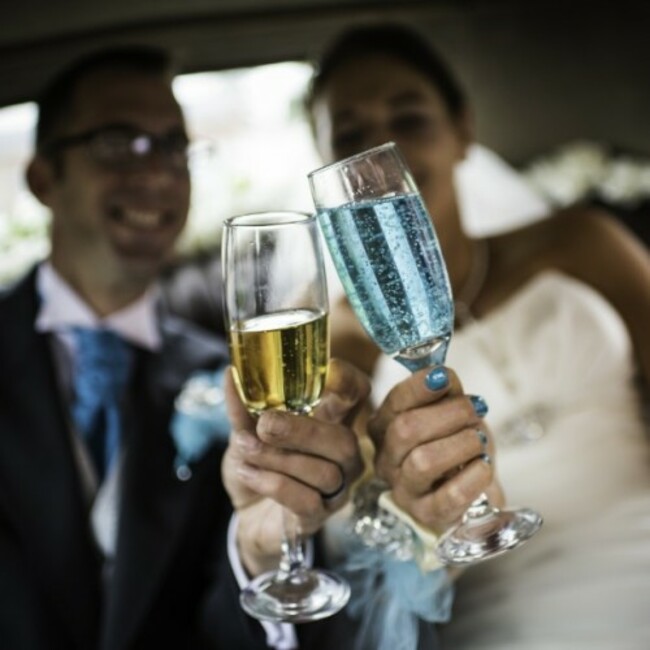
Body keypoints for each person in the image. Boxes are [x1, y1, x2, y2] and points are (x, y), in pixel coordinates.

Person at [0, 43, 498, 650]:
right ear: (42, 175)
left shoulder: (229, 378)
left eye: (174, 147)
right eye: (120, 142)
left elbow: (224, 622)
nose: (158, 172)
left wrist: (258, 552)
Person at [305, 21, 650, 648]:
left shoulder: (581, 241)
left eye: (410, 119)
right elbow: (348, 513)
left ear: (463, 130)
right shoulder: (337, 337)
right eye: (351, 135)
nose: (386, 146)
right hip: (504, 608)